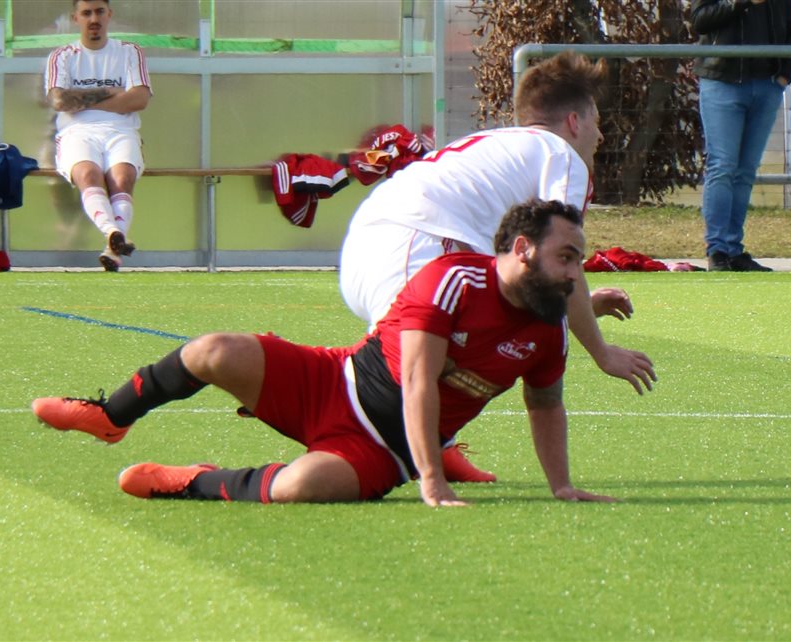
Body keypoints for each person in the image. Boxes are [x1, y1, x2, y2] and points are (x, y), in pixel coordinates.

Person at [31, 200, 617, 507]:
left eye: (578, 262)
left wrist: (561, 486)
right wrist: (434, 482)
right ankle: (111, 416)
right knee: (213, 351)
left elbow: (546, 405)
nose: (576, 273)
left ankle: (192, 481)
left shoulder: (549, 328)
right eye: (567, 257)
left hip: (383, 452)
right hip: (333, 380)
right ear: (523, 248)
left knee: (298, 488)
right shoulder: (455, 279)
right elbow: (417, 383)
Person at [339, 51, 656, 482]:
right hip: (416, 240)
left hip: (374, 242)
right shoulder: (561, 155)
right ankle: (339, 442)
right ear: (574, 122)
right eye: (596, 121)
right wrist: (602, 353)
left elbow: (519, 274)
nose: (599, 136)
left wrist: (576, 307)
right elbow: (560, 252)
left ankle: (435, 448)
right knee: (409, 367)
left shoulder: (503, 147)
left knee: (459, 344)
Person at [691, 0, 791, 272]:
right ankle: (717, 250)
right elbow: (700, 20)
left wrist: (785, 74)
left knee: (745, 170)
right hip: (721, 81)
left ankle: (734, 249)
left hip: (767, 86)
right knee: (722, 165)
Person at [44, 0, 152, 271]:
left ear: (109, 14)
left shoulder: (129, 52)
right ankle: (114, 235)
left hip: (121, 130)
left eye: (99, 12)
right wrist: (114, 93)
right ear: (75, 18)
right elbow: (59, 101)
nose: (94, 19)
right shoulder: (62, 56)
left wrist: (82, 100)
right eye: (86, 13)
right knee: (88, 175)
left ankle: (112, 244)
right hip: (76, 132)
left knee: (122, 178)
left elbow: (139, 99)